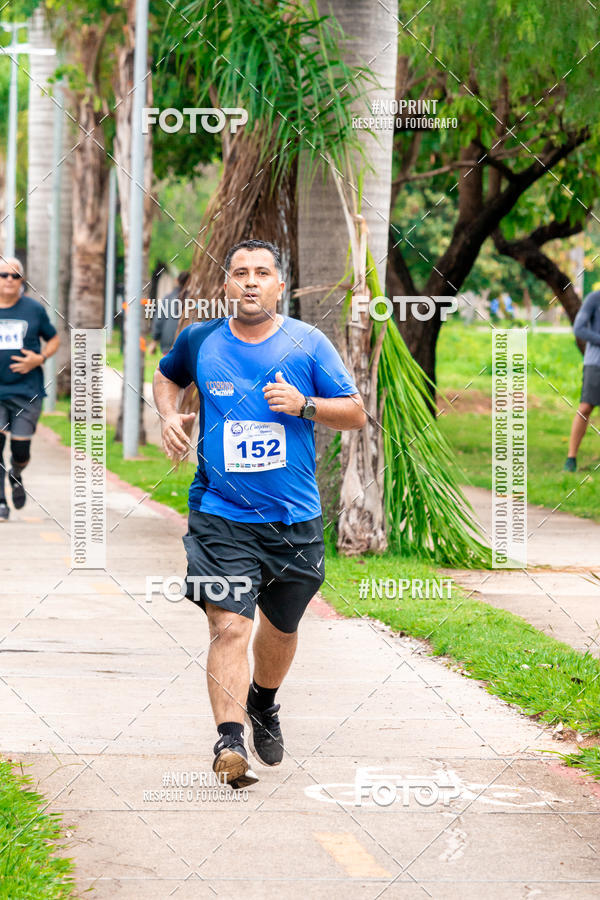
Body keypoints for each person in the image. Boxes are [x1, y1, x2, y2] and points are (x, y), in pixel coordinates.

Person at [153, 239, 365, 788]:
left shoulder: (308, 343)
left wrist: (305, 406)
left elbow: (356, 412)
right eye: (240, 272)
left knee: (282, 628)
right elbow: (166, 376)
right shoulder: (200, 339)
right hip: (220, 514)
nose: (250, 281)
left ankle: (264, 702)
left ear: (279, 285)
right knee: (229, 626)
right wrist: (169, 415)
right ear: (226, 285)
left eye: (262, 273)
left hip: (294, 518)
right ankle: (229, 741)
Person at [0, 258, 59, 521]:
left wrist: (40, 358)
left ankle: (17, 472)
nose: (9, 280)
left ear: (22, 281)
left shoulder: (33, 310)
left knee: (20, 450)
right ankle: (1, 501)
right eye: (4, 275)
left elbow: (54, 338)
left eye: (15, 276)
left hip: (27, 391)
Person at [564, 289, 600, 472]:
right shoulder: (595, 298)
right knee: (585, 408)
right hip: (596, 363)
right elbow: (579, 328)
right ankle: (571, 458)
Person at [148, 270, 189, 356]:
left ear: (177, 281)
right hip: (186, 343)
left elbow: (159, 320)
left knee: (168, 368)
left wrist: (154, 341)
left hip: (168, 343)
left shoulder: (167, 298)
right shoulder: (193, 300)